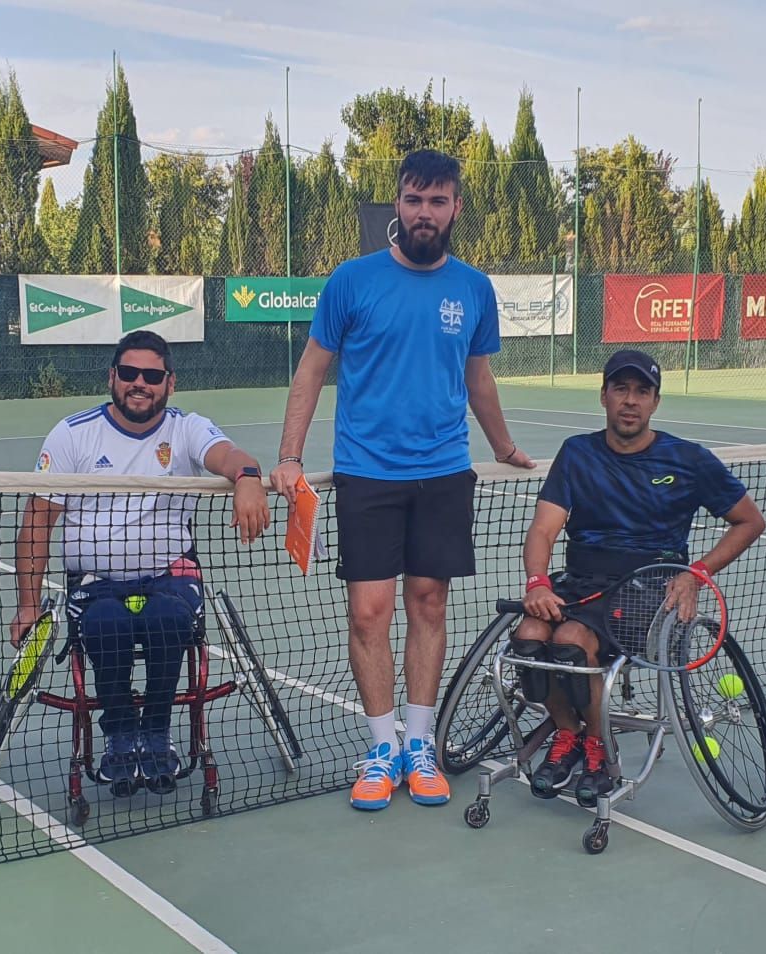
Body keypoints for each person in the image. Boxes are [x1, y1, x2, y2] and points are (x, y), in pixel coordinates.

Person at [269, 148, 535, 811]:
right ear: (398, 203)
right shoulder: (352, 282)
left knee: (429, 604)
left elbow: (478, 377)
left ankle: (420, 746)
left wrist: (504, 446)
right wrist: (290, 455)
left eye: (437, 201)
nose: (424, 212)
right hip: (367, 474)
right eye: (413, 199)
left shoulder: (473, 288)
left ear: (455, 208)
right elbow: (310, 371)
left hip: (444, 472)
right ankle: (381, 748)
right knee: (368, 612)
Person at [10, 330, 269, 794]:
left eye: (151, 375)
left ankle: (156, 734)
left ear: (170, 383)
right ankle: (120, 736)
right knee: (108, 624)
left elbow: (228, 455)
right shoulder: (72, 435)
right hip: (95, 583)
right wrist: (28, 605)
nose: (139, 383)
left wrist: (247, 475)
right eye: (129, 373)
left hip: (171, 577)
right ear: (112, 377)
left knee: (169, 619)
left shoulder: (186, 428)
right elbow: (36, 525)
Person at [517, 351, 765, 802]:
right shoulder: (576, 453)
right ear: (604, 396)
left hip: (649, 588)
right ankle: (569, 734)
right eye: (621, 390)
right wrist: (538, 581)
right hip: (581, 581)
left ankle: (598, 747)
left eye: (641, 392)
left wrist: (696, 574)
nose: (630, 401)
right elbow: (544, 528)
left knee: (571, 641)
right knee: (529, 638)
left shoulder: (687, 460)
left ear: (655, 402)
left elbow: (750, 522)